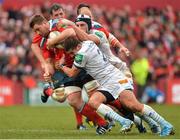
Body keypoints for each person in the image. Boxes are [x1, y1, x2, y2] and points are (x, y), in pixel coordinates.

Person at [59, 37, 174, 137]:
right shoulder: (88, 43)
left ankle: (166, 125)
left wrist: (62, 66)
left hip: (115, 79)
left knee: (133, 105)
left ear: (78, 46)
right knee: (93, 101)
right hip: (107, 82)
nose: (73, 56)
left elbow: (72, 74)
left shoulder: (81, 54)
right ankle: (124, 121)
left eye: (72, 52)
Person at [30, 3, 87, 130]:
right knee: (62, 98)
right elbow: (34, 45)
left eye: (61, 14)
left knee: (77, 95)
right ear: (50, 18)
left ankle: (81, 123)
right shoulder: (48, 30)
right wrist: (45, 63)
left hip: (71, 63)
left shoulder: (68, 24)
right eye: (56, 15)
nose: (59, 17)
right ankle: (47, 90)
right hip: (58, 67)